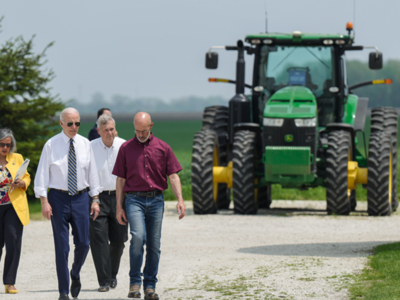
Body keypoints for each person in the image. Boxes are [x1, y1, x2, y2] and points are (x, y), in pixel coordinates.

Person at [113, 112, 186, 300]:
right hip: (134, 199)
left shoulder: (163, 147)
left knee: (154, 245)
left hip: (156, 200)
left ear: (151, 126)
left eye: (144, 131)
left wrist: (180, 200)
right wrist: (119, 207)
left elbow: (173, 175)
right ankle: (134, 283)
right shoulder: (126, 148)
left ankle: (150, 287)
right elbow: (120, 179)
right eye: (137, 130)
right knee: (137, 237)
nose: (141, 134)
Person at [34, 107, 102, 300]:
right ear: (62, 123)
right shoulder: (51, 145)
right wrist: (44, 202)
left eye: (77, 123)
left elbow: (93, 173)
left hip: (81, 198)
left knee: (84, 243)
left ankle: (75, 273)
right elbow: (41, 176)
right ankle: (63, 291)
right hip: (58, 198)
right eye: (70, 123)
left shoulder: (85, 144)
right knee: (62, 247)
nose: (74, 127)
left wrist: (95, 200)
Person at [90, 114, 128, 292]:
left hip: (121, 198)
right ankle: (104, 281)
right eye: (105, 130)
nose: (110, 133)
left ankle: (112, 274)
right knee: (99, 241)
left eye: (112, 129)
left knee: (119, 240)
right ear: (98, 131)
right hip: (97, 199)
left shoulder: (124, 145)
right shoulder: (90, 148)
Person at [0, 128, 30, 295]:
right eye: (2, 144)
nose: (5, 148)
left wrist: (21, 183)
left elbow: (27, 176)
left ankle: (10, 282)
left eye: (8, 145)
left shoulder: (17, 158)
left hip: (13, 206)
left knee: (13, 241)